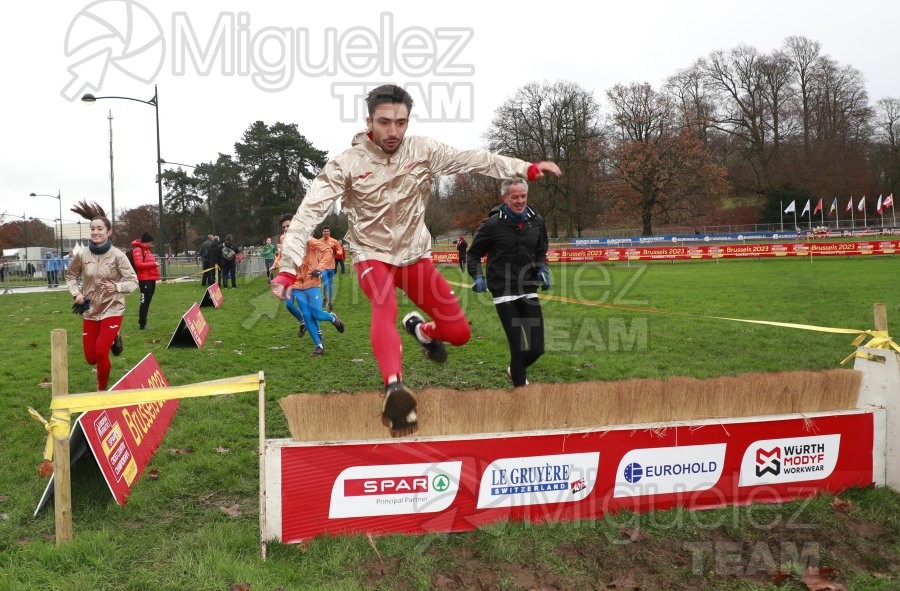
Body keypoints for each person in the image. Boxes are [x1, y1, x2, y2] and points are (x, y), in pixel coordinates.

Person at [270, 83, 562, 437]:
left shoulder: (423, 150)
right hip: (371, 254)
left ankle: (423, 332)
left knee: (460, 333)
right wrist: (287, 269)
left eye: (401, 123)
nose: (393, 132)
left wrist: (523, 168)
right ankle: (394, 389)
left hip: (413, 255)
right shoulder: (346, 164)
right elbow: (306, 215)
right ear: (369, 122)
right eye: (385, 123)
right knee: (384, 306)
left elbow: (474, 158)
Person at [467, 179, 550, 387]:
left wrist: (542, 268)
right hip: (504, 290)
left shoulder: (536, 221)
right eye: (515, 197)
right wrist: (477, 276)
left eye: (523, 196)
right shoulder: (492, 225)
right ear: (505, 198)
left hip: (528, 288)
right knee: (517, 345)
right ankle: (521, 393)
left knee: (537, 347)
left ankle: (515, 369)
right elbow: (474, 254)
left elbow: (541, 250)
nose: (520, 201)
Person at [66, 201, 138, 391]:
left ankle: (101, 391)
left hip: (112, 308)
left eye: (99, 229)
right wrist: (76, 294)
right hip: (89, 309)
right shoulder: (82, 254)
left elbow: (133, 281)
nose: (95, 232)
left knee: (100, 352)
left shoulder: (118, 256)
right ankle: (115, 337)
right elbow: (71, 276)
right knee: (90, 358)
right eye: (93, 229)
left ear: (109, 232)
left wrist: (117, 287)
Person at [284, 238, 346, 356]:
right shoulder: (287, 243)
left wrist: (319, 268)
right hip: (297, 286)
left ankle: (333, 318)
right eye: (285, 228)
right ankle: (319, 346)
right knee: (307, 315)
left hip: (312, 283)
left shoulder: (309, 240)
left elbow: (328, 250)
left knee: (316, 315)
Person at [131, 232, 161, 330]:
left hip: (150, 279)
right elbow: (139, 265)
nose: (151, 245)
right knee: (144, 301)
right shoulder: (138, 250)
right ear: (146, 242)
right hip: (144, 280)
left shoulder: (147, 250)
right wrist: (154, 264)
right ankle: (142, 324)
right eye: (150, 242)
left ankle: (144, 322)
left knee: (148, 301)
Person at [318, 227, 337, 311]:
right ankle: (325, 298)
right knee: (325, 283)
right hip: (323, 266)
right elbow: (316, 252)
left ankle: (330, 302)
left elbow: (339, 251)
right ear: (322, 232)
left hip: (332, 266)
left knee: (330, 285)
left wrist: (336, 251)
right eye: (324, 231)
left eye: (327, 231)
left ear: (329, 232)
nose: (326, 232)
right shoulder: (318, 241)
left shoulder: (334, 241)